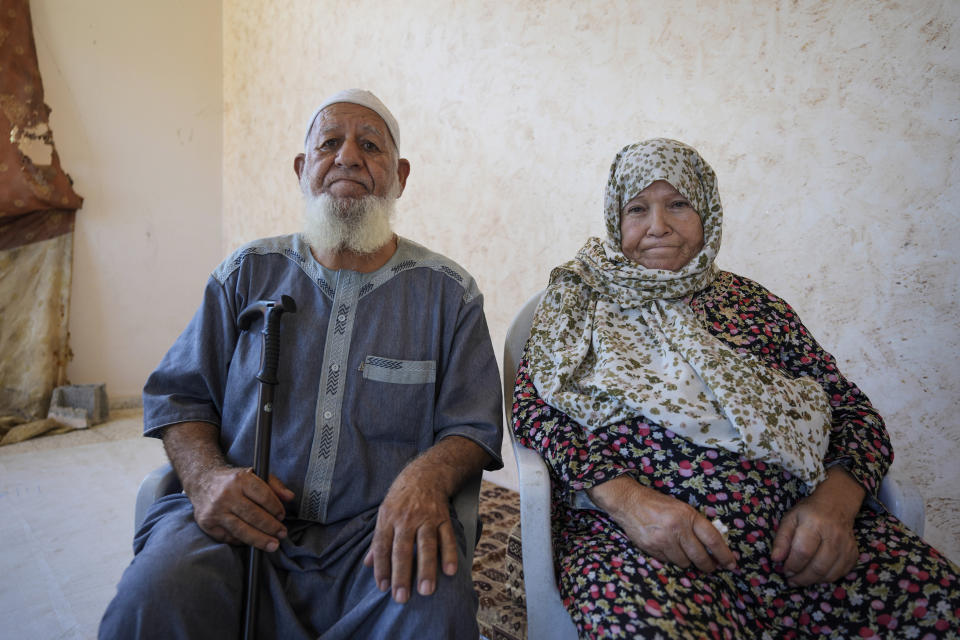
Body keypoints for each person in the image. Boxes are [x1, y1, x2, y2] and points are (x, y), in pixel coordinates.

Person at [513, 138, 960, 638]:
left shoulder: (754, 305)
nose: (657, 225)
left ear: (707, 213)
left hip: (799, 541)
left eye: (678, 204)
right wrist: (631, 503)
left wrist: (834, 506)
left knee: (939, 609)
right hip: (641, 543)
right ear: (616, 221)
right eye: (637, 208)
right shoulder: (579, 300)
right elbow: (537, 411)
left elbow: (851, 412)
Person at [100, 89, 502, 639]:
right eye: (329, 144)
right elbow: (180, 395)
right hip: (239, 525)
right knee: (152, 599)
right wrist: (205, 477)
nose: (348, 158)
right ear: (302, 167)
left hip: (376, 533)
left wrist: (423, 481)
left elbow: (473, 426)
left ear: (400, 175)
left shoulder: (449, 294)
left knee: (432, 610)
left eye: (370, 146)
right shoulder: (244, 273)